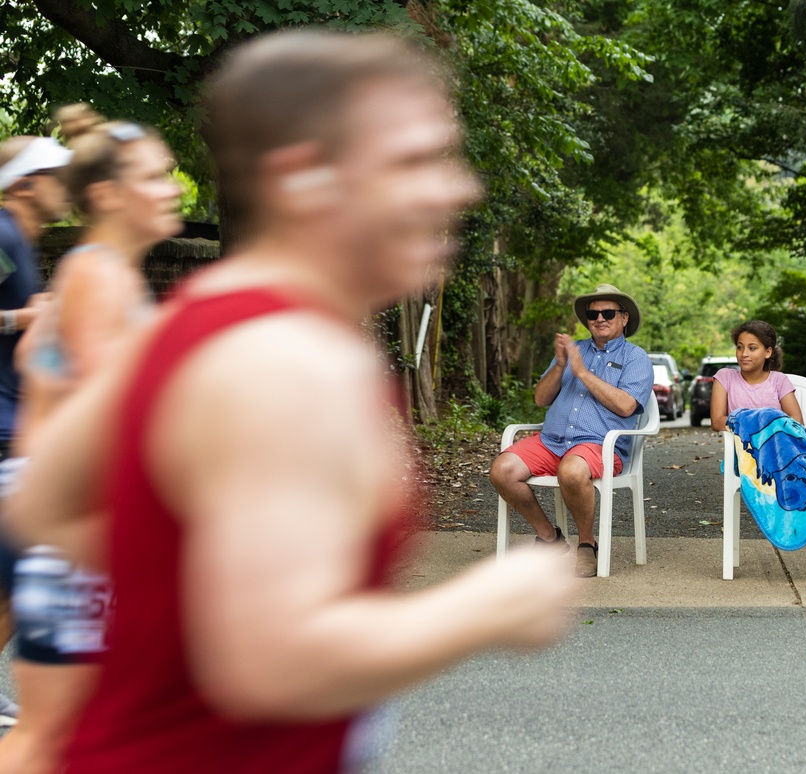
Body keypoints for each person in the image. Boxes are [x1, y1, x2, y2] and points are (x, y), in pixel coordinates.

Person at [6, 30, 577, 773]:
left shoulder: (200, 311)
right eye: (412, 161)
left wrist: (189, 585)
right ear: (304, 178)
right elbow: (271, 664)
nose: (458, 189)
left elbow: (42, 502)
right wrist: (489, 603)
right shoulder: (294, 362)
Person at [0, 114, 183, 774]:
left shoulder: (103, 274)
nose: (172, 190)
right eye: (154, 177)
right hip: (78, 539)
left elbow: (34, 361)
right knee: (52, 737)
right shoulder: (99, 274)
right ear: (106, 194)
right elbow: (117, 414)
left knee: (79, 735)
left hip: (76, 530)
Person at [490, 283, 654, 578]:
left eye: (608, 312)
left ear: (624, 317)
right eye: (593, 314)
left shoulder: (636, 358)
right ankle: (550, 539)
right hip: (552, 441)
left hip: (599, 446)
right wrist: (561, 366)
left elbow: (627, 406)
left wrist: (581, 372)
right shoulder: (573, 350)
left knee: (573, 471)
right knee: (502, 469)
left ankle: (587, 545)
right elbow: (541, 399)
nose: (599, 318)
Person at [0, 134, 73, 727]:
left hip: (16, 425)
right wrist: (25, 316)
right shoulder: (1, 232)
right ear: (26, 183)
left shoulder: (20, 241)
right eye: (56, 175)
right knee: (22, 564)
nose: (66, 187)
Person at [710, 319, 803, 431]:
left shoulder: (779, 380)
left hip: (776, 445)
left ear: (768, 352)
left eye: (752, 348)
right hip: (742, 447)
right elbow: (717, 422)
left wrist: (747, 423)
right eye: (740, 347)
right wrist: (763, 423)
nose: (744, 354)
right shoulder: (725, 377)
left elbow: (797, 421)